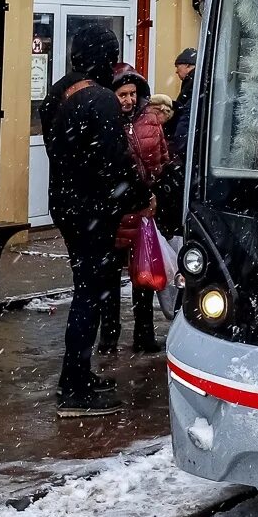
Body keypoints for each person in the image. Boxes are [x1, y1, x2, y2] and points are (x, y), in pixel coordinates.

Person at [41, 25, 145, 416]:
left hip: (67, 206)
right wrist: (140, 194)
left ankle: (80, 375)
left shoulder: (57, 94)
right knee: (90, 294)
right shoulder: (100, 100)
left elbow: (64, 153)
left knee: (88, 289)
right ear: (105, 56)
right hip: (92, 211)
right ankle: (74, 385)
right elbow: (115, 163)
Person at [104, 71, 165, 355]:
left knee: (144, 275)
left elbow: (163, 156)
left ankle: (144, 334)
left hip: (143, 209)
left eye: (131, 94)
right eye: (122, 95)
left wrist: (157, 188)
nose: (128, 100)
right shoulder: (106, 121)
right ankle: (109, 336)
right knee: (109, 278)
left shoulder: (149, 119)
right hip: (117, 211)